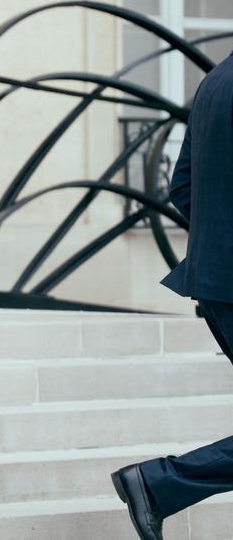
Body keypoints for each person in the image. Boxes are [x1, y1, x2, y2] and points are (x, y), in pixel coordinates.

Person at [111, 51, 233, 540]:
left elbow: (182, 186)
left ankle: (158, 485)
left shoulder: (216, 78)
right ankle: (160, 483)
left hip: (214, 279)